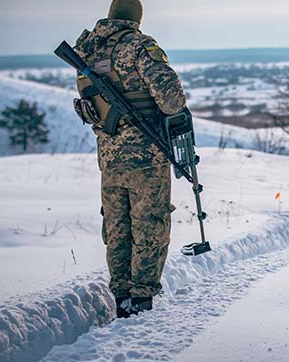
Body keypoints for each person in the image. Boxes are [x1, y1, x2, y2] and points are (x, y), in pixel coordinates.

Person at [73, 0, 189, 317]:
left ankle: (121, 294)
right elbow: (171, 99)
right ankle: (141, 299)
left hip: (109, 156)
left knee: (117, 226)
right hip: (146, 155)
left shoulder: (86, 50)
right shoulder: (140, 46)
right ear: (136, 18)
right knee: (149, 223)